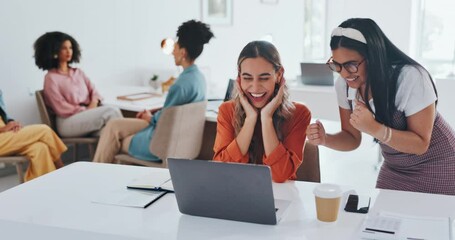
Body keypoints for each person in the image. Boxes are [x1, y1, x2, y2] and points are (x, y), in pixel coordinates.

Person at [306, 18, 455, 195]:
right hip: (395, 169)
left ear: (373, 57)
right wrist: (325, 139)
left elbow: (420, 144)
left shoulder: (410, 77)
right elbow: (352, 138)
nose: (344, 73)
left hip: (439, 165)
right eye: (337, 65)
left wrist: (375, 129)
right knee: (378, 221)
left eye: (351, 65)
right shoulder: (344, 85)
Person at [93, 19, 214, 163]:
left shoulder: (180, 85)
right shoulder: (199, 78)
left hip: (159, 143)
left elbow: (165, 120)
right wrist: (154, 115)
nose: (172, 52)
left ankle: (95, 175)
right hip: (176, 138)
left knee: (115, 140)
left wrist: (150, 117)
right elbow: (172, 112)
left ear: (183, 52)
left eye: (175, 48)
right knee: (113, 125)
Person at [213, 41, 311, 183]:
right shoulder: (227, 110)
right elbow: (221, 170)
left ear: (279, 75)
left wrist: (266, 118)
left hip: (280, 197)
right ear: (239, 78)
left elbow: (280, 175)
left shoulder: (299, 114)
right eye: (247, 78)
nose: (255, 87)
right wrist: (250, 119)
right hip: (236, 194)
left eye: (264, 78)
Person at [33, 31, 123, 138]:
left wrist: (94, 102)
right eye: (64, 48)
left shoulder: (78, 73)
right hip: (67, 121)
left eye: (70, 48)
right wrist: (86, 110)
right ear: (54, 51)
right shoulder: (51, 78)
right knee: (112, 111)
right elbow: (60, 107)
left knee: (110, 131)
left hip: (88, 116)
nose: (68, 51)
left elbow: (94, 92)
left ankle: (107, 154)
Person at [0, 89, 67, 181]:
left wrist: (12, 123)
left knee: (40, 148)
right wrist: (3, 129)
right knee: (44, 130)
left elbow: (4, 116)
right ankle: (61, 167)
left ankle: (44, 185)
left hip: (5, 134)